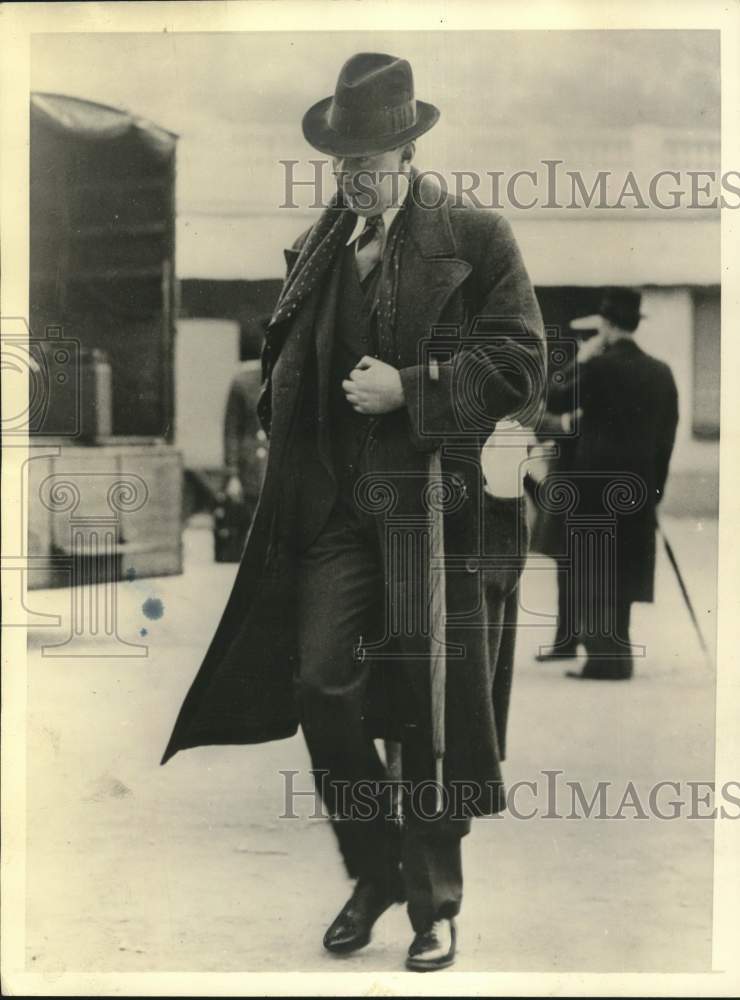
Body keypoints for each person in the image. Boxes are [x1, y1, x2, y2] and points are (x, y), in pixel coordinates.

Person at [162, 52, 545, 970]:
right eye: (342, 162)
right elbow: (284, 372)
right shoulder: (318, 249)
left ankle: (433, 905)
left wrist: (411, 390)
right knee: (320, 685)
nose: (354, 177)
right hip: (335, 510)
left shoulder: (479, 235)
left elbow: (523, 361)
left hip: (435, 511)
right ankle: (373, 868)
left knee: (429, 705)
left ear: (409, 152)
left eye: (370, 161)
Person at [541, 287, 678, 680]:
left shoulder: (599, 367)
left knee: (594, 572)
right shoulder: (661, 372)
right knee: (625, 572)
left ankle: (603, 660)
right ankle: (619, 656)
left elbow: (556, 399)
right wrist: (656, 491)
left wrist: (580, 359)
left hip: (592, 488)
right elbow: (666, 439)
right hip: (638, 488)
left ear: (606, 324)